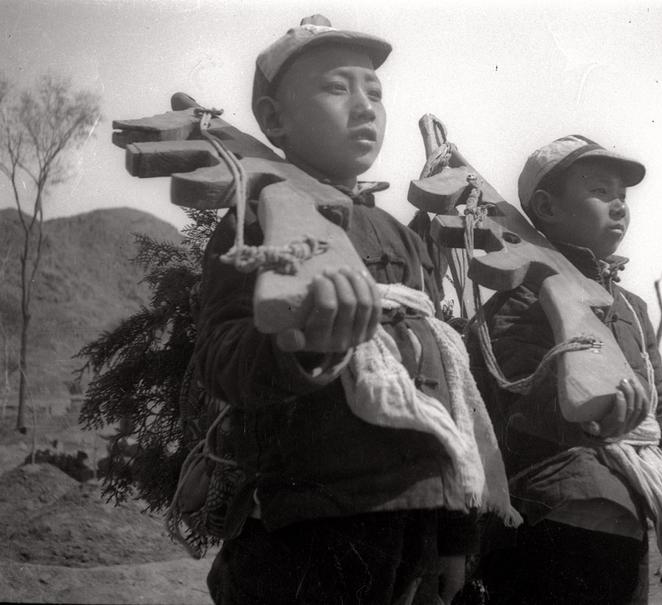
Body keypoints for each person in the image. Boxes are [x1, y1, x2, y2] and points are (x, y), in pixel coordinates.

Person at [194, 15, 515, 605]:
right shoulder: (255, 221)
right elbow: (221, 358)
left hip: (414, 518)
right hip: (308, 525)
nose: (365, 107)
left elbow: (444, 391)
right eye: (337, 88)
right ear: (273, 120)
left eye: (376, 92)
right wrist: (301, 341)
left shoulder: (402, 237)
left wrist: (453, 537)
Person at [468, 135, 662, 604]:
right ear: (547, 206)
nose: (619, 206)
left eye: (622, 196)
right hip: (553, 520)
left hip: (629, 520)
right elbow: (511, 408)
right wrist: (594, 413)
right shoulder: (516, 304)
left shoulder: (631, 310)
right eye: (600, 192)